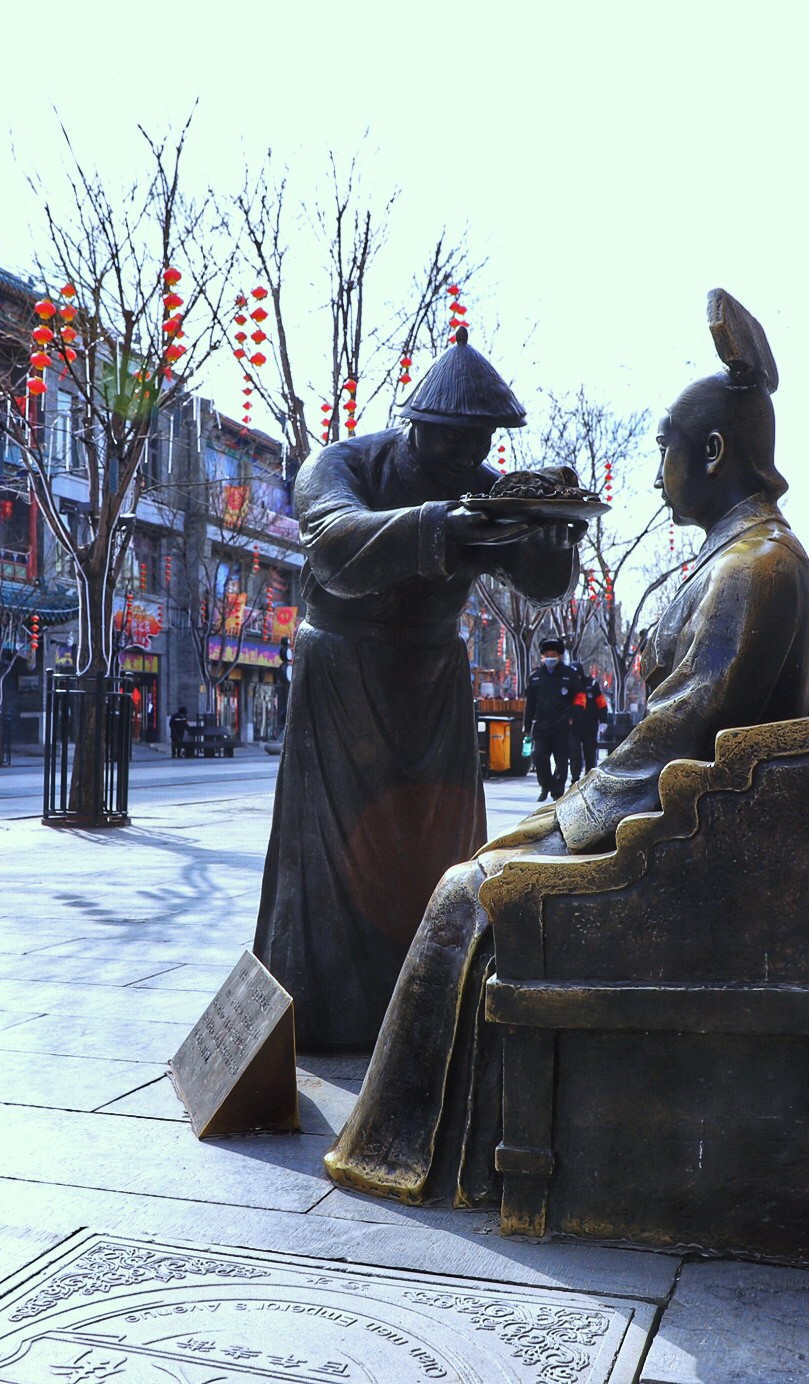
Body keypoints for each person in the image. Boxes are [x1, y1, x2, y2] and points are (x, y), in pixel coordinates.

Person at [324, 289, 809, 1204]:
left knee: (468, 887)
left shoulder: (756, 567)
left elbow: (680, 727)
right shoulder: (736, 554)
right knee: (478, 868)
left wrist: (567, 817)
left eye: (667, 444)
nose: (657, 466)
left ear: (712, 453)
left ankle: (409, 1148)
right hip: (681, 815)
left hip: (691, 846)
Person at [253, 329, 582, 1052]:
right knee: (335, 857)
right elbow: (335, 543)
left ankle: (437, 1000)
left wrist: (554, 546)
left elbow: (537, 582)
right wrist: (440, 527)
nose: (471, 457)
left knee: (438, 853)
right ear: (420, 424)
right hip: (344, 673)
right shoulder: (340, 464)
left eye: (482, 441)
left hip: (434, 678)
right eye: (457, 441)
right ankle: (331, 1012)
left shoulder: (485, 488)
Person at [522, 637, 581, 803]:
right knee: (539, 757)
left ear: (559, 655)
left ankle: (557, 792)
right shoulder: (535, 677)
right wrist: (527, 725)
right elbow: (530, 704)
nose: (549, 657)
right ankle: (545, 785)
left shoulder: (570, 675)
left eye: (553, 654)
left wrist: (573, 716)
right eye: (546, 654)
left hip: (562, 727)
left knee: (562, 762)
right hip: (541, 726)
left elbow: (580, 697)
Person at [568, 674, 610, 782]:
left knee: (590, 753)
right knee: (574, 752)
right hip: (573, 726)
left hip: (590, 726)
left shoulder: (592, 684)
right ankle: (575, 778)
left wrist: (603, 721)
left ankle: (589, 778)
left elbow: (601, 704)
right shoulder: (567, 683)